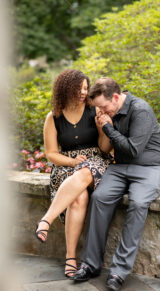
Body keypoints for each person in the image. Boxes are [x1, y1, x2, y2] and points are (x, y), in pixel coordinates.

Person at [73, 77, 160, 291]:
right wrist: (104, 126)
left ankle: (118, 272)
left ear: (116, 97)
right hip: (121, 167)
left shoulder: (140, 110)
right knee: (99, 198)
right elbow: (108, 149)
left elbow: (133, 150)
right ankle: (90, 264)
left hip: (150, 168)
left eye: (103, 106)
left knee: (137, 203)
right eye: (97, 107)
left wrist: (108, 127)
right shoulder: (109, 111)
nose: (101, 111)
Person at [35, 69, 111, 278]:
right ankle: (71, 259)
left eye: (86, 88)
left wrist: (105, 129)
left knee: (86, 172)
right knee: (79, 197)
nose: (83, 93)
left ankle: (46, 220)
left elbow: (105, 149)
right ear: (65, 89)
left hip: (95, 162)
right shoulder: (54, 117)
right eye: (79, 89)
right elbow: (51, 153)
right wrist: (71, 161)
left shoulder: (94, 111)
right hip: (66, 166)